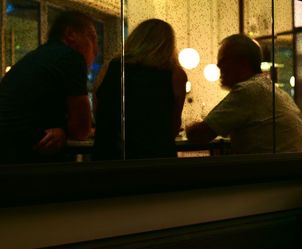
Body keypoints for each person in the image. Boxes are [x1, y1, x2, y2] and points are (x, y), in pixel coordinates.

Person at [0, 10, 97, 164]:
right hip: (29, 158)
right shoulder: (71, 58)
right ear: (71, 34)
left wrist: (64, 131)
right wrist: (68, 131)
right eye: (91, 37)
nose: (96, 49)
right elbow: (81, 130)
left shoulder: (35, 57)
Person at [186, 34, 302, 154]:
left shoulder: (248, 90)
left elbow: (198, 135)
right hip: (291, 169)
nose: (218, 65)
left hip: (270, 170)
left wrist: (188, 123)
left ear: (242, 63)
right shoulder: (276, 92)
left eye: (223, 60)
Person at [92, 19, 187, 160]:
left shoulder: (110, 67)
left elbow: (99, 112)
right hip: (156, 157)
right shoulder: (176, 74)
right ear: (168, 44)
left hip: (110, 155)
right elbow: (173, 126)